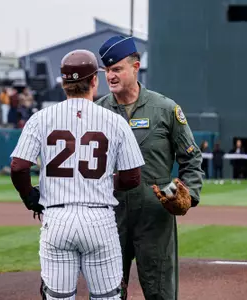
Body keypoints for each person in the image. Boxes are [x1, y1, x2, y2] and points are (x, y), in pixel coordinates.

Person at [10, 49, 145, 300]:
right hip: (99, 219)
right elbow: (132, 178)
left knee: (58, 297)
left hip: (57, 218)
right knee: (109, 296)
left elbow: (18, 167)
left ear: (63, 83)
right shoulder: (115, 121)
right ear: (95, 80)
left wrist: (30, 197)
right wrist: (103, 181)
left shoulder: (41, 118)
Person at [95, 35, 203, 300]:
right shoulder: (96, 112)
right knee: (106, 293)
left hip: (155, 215)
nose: (111, 76)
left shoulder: (165, 109)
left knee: (160, 292)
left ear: (136, 66)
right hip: (110, 217)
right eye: (107, 70)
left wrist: (188, 194)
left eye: (117, 69)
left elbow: (191, 158)